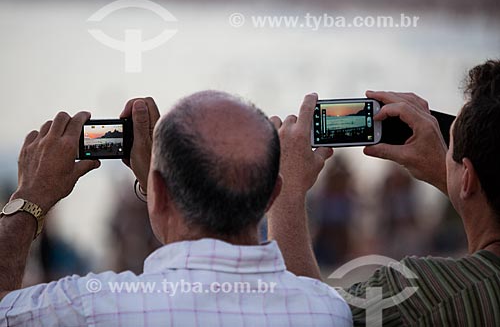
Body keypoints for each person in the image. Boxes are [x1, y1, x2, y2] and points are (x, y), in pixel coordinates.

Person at [0, 91, 352, 326]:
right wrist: (159, 185)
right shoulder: (325, 310)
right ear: (271, 195)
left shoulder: (92, 308)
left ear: (159, 192)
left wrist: (32, 194)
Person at [268, 60, 500, 325]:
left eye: (450, 149)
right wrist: (453, 175)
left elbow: (306, 317)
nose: (445, 157)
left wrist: (285, 188)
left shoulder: (422, 293)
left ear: (467, 177)